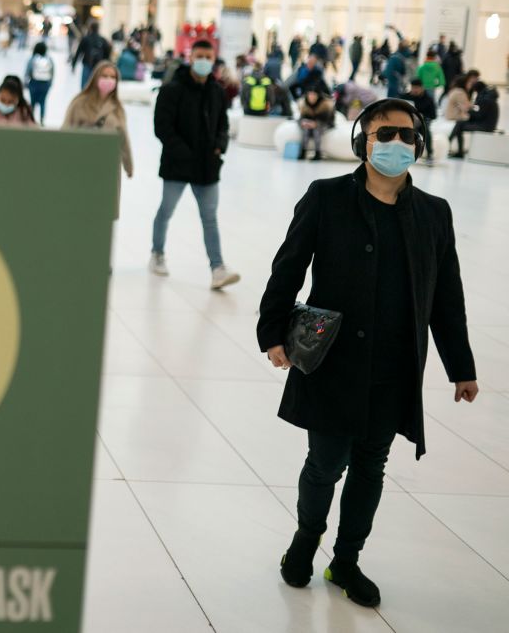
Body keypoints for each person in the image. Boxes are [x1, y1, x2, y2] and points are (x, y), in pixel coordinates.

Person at [257, 98, 478, 609]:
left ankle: (346, 559)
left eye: (406, 135)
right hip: (333, 364)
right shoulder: (326, 197)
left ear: (419, 145)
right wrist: (273, 335)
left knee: (371, 466)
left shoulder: (433, 214)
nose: (396, 144)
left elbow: (447, 296)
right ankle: (305, 539)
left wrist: (460, 367)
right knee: (324, 464)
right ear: (363, 141)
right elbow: (287, 269)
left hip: (395, 367)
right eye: (385, 134)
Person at [150, 39, 240, 290]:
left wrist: (220, 146)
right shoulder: (172, 89)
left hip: (207, 167)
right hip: (178, 164)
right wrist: (183, 152)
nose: (203, 61)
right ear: (190, 57)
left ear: (214, 60)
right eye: (199, 55)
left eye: (208, 57)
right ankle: (157, 253)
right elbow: (162, 128)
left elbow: (223, 124)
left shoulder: (216, 91)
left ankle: (218, 267)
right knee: (166, 210)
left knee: (209, 217)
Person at [62, 62, 134, 213]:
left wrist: (129, 166)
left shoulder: (117, 109)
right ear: (95, 78)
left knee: (101, 213)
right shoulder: (79, 103)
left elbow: (123, 139)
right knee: (77, 210)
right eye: (105, 75)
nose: (109, 80)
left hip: (106, 168)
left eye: (112, 77)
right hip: (80, 164)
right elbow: (65, 132)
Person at [450, 81, 499, 158]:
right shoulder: (489, 97)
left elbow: (479, 115)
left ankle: (453, 146)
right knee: (460, 123)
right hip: (487, 124)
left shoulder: (485, 99)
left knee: (459, 125)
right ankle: (453, 145)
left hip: (485, 126)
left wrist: (468, 111)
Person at [297, 87, 336, 161]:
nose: (311, 97)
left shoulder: (326, 105)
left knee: (316, 131)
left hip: (324, 124)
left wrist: (316, 124)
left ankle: (318, 153)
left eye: (313, 95)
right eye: (310, 95)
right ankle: (303, 152)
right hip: (310, 124)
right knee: (306, 130)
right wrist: (303, 123)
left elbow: (329, 120)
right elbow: (300, 118)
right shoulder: (304, 104)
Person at [404, 80, 437, 163]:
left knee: (426, 132)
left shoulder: (428, 99)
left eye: (417, 88)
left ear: (422, 88)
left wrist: (422, 116)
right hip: (406, 122)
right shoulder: (405, 97)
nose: (414, 90)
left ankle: (429, 154)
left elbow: (433, 115)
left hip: (422, 122)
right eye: (413, 88)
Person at [23, 41, 55, 124]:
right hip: (45, 84)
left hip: (34, 83)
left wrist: (25, 83)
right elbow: (52, 72)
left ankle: (31, 118)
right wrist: (50, 83)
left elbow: (27, 72)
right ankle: (42, 119)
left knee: (33, 102)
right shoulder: (49, 60)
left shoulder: (32, 59)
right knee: (43, 102)